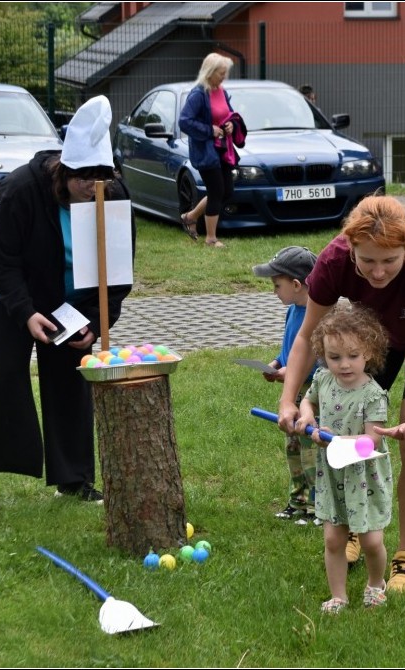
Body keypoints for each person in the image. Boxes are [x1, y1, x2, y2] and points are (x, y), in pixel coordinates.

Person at [277, 194, 405, 593]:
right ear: (350, 248)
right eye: (367, 261)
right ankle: (356, 526)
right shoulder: (333, 260)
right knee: (347, 429)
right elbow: (306, 337)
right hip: (375, 334)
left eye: (389, 261)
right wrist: (290, 399)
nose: (378, 272)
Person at [0, 95, 136, 511]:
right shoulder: (21, 189)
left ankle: (73, 477)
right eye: (84, 178)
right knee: (7, 374)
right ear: (64, 170)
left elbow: (116, 271)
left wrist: (97, 321)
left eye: (102, 177)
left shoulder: (113, 195)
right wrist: (25, 312)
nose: (93, 187)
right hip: (7, 288)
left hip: (66, 292)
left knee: (68, 373)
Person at [296, 303, 396, 613]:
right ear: (323, 353)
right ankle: (338, 595)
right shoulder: (323, 380)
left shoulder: (373, 395)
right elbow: (307, 403)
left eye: (353, 356)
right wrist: (306, 419)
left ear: (369, 352)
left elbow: (370, 440)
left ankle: (376, 583)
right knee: (333, 540)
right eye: (334, 357)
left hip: (363, 476)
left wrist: (335, 439)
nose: (344, 364)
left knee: (370, 542)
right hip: (333, 474)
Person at [251, 246, 320, 526]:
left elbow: (317, 362)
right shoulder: (292, 310)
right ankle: (298, 502)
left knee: (311, 450)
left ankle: (318, 507)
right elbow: (290, 349)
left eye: (276, 285)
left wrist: (289, 374)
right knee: (293, 449)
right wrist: (277, 364)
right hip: (293, 393)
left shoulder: (319, 315)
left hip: (312, 398)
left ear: (295, 284)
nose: (273, 291)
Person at [178, 52, 246, 248]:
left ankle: (190, 217)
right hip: (207, 151)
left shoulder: (221, 91)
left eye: (225, 73)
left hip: (223, 150)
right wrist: (209, 130)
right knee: (216, 190)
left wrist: (231, 125)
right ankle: (211, 238)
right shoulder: (199, 94)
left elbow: (229, 114)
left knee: (226, 191)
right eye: (221, 73)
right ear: (210, 72)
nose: (224, 76)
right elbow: (185, 121)